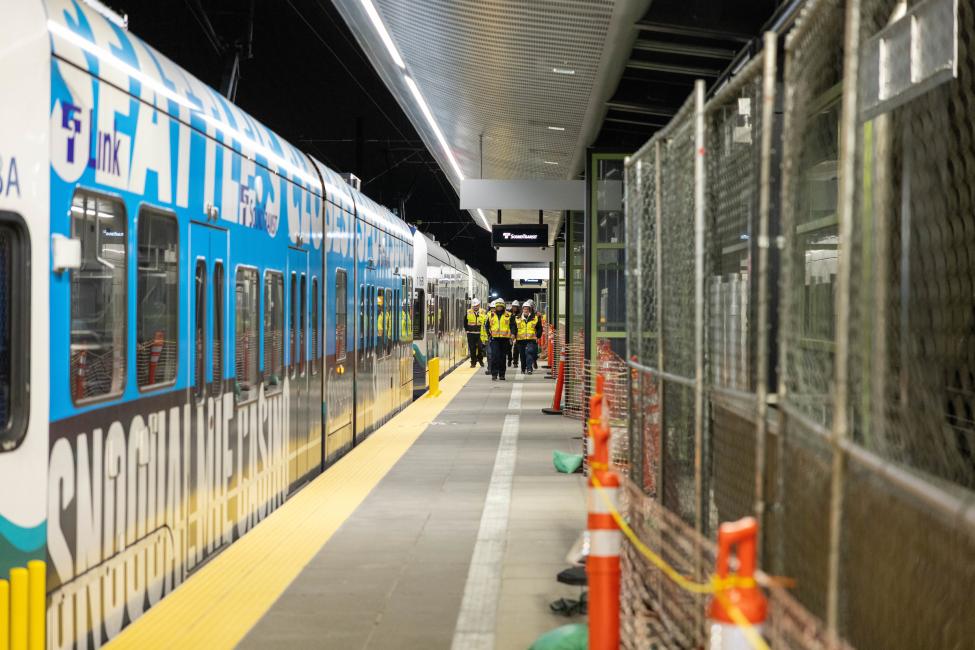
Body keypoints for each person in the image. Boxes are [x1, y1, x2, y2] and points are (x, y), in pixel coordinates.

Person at [486, 298, 513, 381]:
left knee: (502, 357)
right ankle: (494, 374)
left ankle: (502, 374)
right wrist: (489, 334)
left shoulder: (509, 315)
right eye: (498, 306)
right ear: (496, 306)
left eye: (501, 306)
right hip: (495, 339)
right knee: (494, 356)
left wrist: (512, 334)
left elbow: (512, 325)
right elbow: (487, 326)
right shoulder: (491, 315)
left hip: (505, 339)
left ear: (503, 306)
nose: (499, 307)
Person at [516, 300, 543, 374]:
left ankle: (529, 368)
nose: (526, 310)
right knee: (522, 355)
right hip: (520, 340)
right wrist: (513, 336)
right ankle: (523, 368)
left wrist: (538, 336)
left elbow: (539, 328)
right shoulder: (517, 318)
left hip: (531, 339)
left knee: (529, 352)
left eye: (527, 309)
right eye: (524, 309)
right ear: (522, 309)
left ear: (530, 310)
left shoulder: (535, 318)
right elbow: (514, 328)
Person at [465, 298, 486, 367]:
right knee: (472, 348)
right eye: (474, 306)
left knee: (480, 348)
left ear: (479, 305)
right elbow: (465, 321)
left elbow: (486, 322)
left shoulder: (483, 312)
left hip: (480, 333)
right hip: (471, 333)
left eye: (476, 305)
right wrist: (466, 330)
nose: (475, 307)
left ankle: (480, 360)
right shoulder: (468, 312)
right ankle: (473, 362)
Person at [508, 300, 521, 367]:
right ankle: (510, 360)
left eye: (516, 307)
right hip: (509, 333)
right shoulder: (508, 313)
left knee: (516, 348)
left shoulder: (520, 314)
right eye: (514, 306)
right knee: (508, 348)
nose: (515, 308)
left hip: (518, 333)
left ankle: (515, 362)